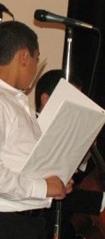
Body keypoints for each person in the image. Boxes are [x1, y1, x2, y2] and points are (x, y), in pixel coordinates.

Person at [0, 21, 72, 239]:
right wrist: (42, 188)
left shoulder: (11, 101)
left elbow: (16, 160)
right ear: (24, 57)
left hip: (15, 222)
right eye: (36, 57)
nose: (36, 65)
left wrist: (52, 181)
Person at [35, 69, 105, 239]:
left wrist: (85, 154)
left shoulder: (63, 135)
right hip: (36, 227)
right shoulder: (32, 134)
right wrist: (101, 201)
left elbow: (77, 180)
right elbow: (54, 190)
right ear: (46, 100)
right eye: (72, 101)